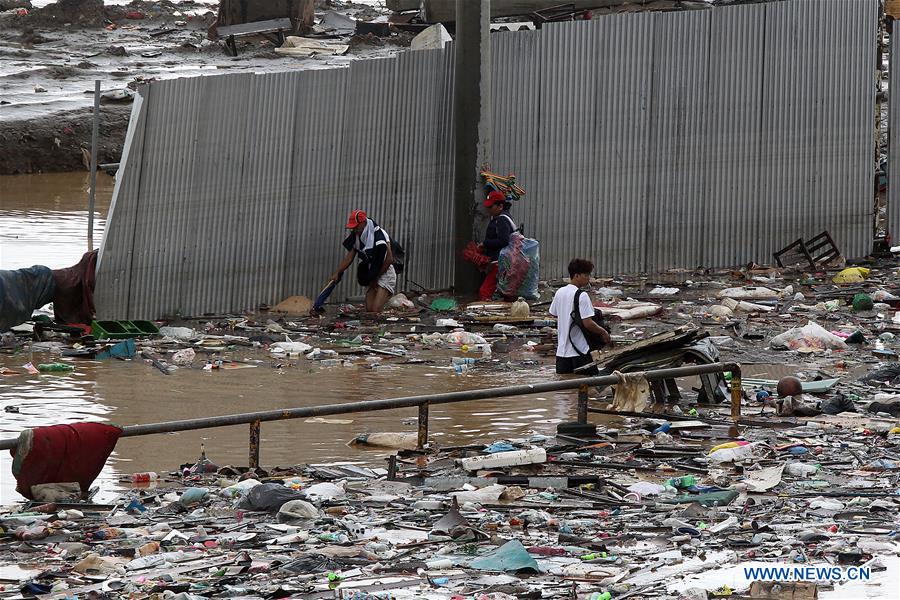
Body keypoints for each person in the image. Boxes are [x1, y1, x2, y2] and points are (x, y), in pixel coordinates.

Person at [549, 258, 611, 375]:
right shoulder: (582, 295)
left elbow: (553, 313)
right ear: (576, 276)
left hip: (561, 353)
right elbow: (588, 323)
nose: (588, 278)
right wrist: (603, 332)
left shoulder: (560, 292)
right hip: (580, 351)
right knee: (589, 383)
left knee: (564, 384)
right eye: (586, 275)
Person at [330, 210, 395, 313]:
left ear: (363, 223)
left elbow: (389, 259)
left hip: (385, 271)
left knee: (375, 310)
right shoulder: (357, 236)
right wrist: (337, 272)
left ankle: (385, 295)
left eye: (356, 227)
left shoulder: (379, 236)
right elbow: (349, 258)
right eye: (353, 227)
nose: (354, 229)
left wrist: (376, 277)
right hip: (372, 271)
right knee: (369, 309)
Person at [478, 191, 517, 301]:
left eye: (491, 207)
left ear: (500, 206)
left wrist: (485, 243)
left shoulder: (501, 219)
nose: (488, 209)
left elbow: (503, 241)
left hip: (500, 262)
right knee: (506, 293)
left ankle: (485, 308)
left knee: (485, 292)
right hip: (504, 262)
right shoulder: (503, 217)